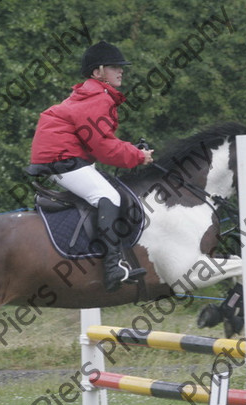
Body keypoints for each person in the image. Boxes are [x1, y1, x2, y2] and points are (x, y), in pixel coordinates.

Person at [29, 40, 154, 292]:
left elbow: (102, 142)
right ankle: (112, 268)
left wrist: (131, 150)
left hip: (63, 157)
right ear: (98, 72)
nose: (121, 71)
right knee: (107, 195)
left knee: (107, 188)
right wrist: (138, 157)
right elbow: (104, 147)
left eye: (121, 67)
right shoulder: (98, 98)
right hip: (62, 160)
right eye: (114, 67)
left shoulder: (92, 95)